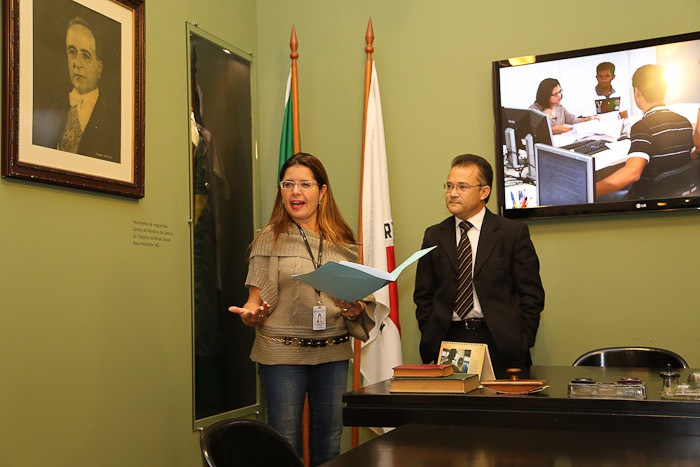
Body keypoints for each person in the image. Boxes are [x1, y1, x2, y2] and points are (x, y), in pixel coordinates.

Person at [229, 153, 375, 466]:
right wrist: (251, 315)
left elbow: (361, 299)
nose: (295, 191)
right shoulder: (268, 239)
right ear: (281, 191)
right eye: (288, 184)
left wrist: (355, 309)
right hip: (282, 356)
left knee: (329, 445)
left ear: (322, 191)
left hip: (332, 355)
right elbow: (255, 300)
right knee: (284, 445)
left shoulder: (343, 241)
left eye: (305, 184)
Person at [414, 154, 545, 376]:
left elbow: (531, 295)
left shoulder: (511, 233)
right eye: (449, 186)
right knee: (454, 400)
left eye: (462, 187)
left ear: (484, 192)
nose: (453, 193)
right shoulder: (434, 235)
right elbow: (423, 295)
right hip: (448, 339)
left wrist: (522, 339)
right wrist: (430, 334)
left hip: (499, 342)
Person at [596, 65, 697, 199]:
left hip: (643, 199)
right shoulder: (684, 122)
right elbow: (689, 159)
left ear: (637, 92)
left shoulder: (643, 127)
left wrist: (589, 191)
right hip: (675, 196)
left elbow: (632, 173)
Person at [32, 16, 120, 162]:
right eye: (72, 52)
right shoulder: (51, 109)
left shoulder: (114, 120)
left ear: (99, 68)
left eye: (85, 56)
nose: (77, 63)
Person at [530, 78, 596, 134]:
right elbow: (534, 132)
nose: (559, 95)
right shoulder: (534, 110)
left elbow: (573, 120)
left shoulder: (559, 107)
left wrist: (587, 119)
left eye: (560, 91)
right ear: (545, 95)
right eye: (555, 94)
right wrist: (554, 130)